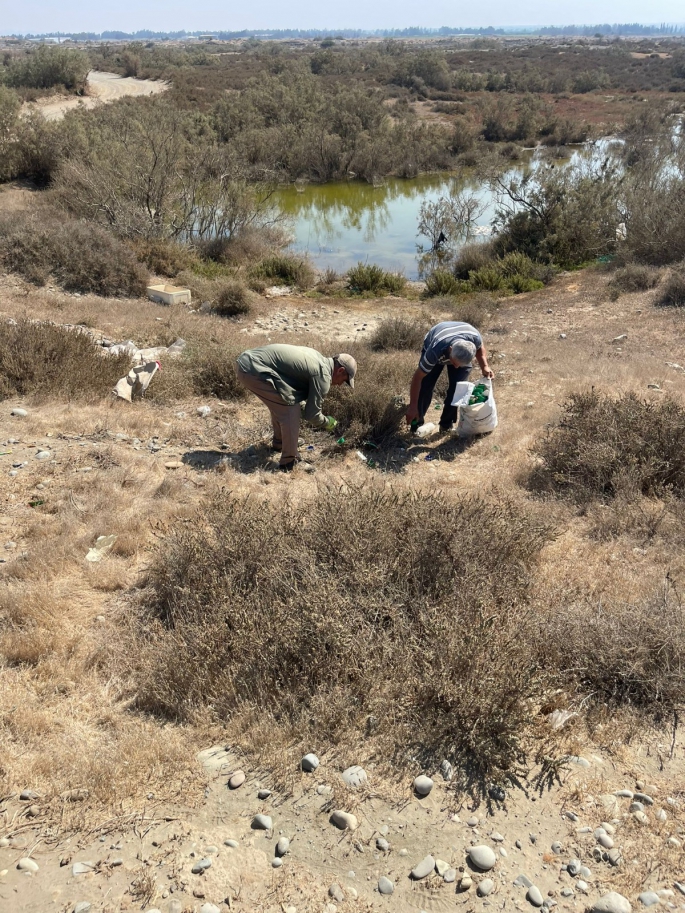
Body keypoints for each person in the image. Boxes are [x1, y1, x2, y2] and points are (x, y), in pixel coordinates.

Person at [236, 344, 357, 471]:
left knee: (284, 402)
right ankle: (290, 461)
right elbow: (312, 415)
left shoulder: (318, 358)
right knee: (289, 408)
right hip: (252, 369)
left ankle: (280, 443)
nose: (340, 385)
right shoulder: (323, 376)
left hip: (247, 362)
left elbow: (292, 391)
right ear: (340, 370)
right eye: (344, 381)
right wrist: (328, 422)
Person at [405, 320, 494, 433]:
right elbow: (418, 378)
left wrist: (485, 366)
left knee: (458, 389)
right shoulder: (434, 351)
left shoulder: (474, 338)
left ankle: (446, 425)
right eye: (454, 362)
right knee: (426, 386)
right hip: (438, 343)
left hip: (463, 337)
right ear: (451, 349)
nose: (456, 367)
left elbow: (480, 349)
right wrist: (413, 406)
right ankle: (417, 424)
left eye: (460, 365)